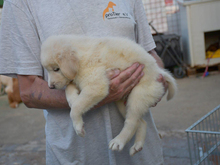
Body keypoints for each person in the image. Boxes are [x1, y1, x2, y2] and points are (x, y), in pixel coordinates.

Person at [0, 0, 167, 164]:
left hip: (144, 157)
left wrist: (157, 80)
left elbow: (150, 53)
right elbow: (28, 91)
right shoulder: (20, 2)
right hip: (75, 157)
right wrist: (93, 95)